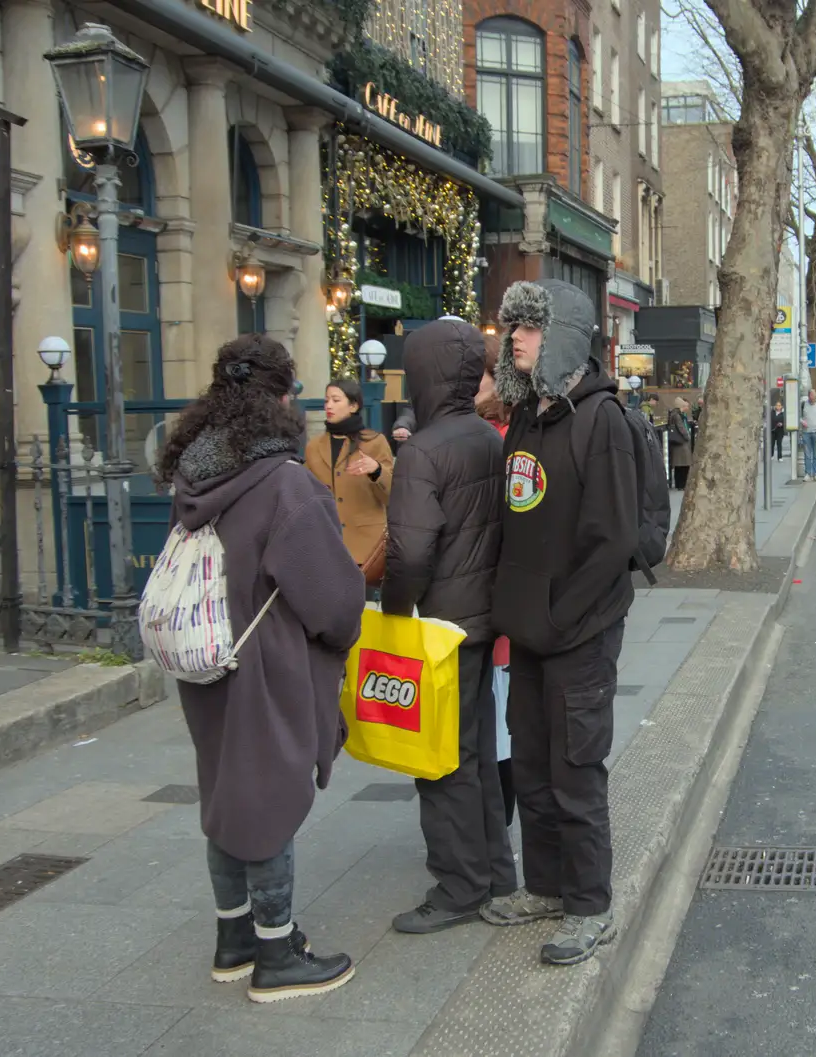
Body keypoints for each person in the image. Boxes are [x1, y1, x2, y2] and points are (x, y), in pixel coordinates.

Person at [157, 335, 363, 1003]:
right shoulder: (284, 483)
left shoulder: (195, 473)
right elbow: (331, 598)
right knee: (269, 796)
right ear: (280, 398)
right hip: (266, 661)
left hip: (206, 659)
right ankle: (276, 952)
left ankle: (234, 937)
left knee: (224, 791)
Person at [483, 278, 638, 966]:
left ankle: (589, 904)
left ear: (564, 337)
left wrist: (561, 619)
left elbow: (612, 541)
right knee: (536, 768)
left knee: (576, 772)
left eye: (529, 326)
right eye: (511, 325)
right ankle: (544, 886)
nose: (513, 336)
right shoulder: (526, 418)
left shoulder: (600, 420)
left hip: (577, 636)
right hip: (530, 635)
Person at [381, 318, 515, 934]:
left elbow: (409, 554)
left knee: (437, 758)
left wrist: (394, 614)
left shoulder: (423, 451)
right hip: (484, 620)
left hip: (438, 627)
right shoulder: (489, 439)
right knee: (480, 752)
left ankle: (458, 885)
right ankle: (494, 872)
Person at [475, 333, 517, 826]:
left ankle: (497, 818)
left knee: (500, 725)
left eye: (479, 378)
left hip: (494, 605)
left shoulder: (504, 441)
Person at [305, 378, 393, 581]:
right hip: (325, 544)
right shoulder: (313, 447)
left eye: (336, 400)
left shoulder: (374, 442)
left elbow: (392, 495)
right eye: (327, 400)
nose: (328, 405)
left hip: (366, 548)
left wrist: (377, 471)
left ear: (353, 405)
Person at [668, 397, 693, 490]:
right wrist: (687, 436)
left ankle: (680, 484)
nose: (687, 407)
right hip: (681, 442)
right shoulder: (678, 416)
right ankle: (682, 484)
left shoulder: (674, 414)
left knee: (679, 466)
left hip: (677, 442)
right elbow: (681, 428)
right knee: (684, 465)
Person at [800, 388, 816, 481]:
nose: (813, 398)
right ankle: (807, 473)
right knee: (807, 454)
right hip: (806, 432)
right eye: (811, 396)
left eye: (814, 396)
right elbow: (799, 416)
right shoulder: (804, 404)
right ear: (809, 396)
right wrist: (802, 421)